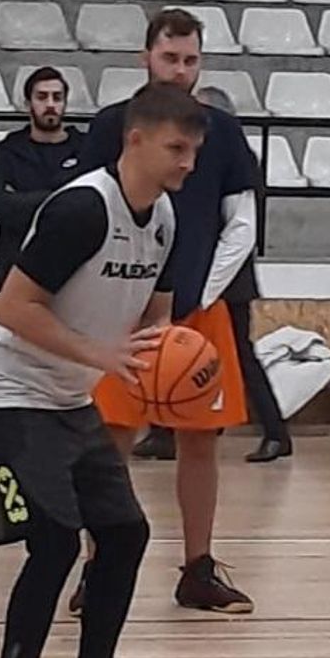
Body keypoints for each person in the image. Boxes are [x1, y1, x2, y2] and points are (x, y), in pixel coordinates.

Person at [0, 83, 198, 658]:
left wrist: (170, 366)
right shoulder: (81, 209)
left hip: (68, 397)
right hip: (7, 395)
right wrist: (103, 358)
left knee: (125, 532)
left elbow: (156, 320)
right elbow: (13, 307)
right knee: (56, 543)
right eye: (177, 148)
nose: (187, 163)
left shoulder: (165, 219)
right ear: (137, 140)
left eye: (194, 150)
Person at [76, 8, 260, 615]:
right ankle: (96, 564)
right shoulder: (111, 126)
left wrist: (201, 295)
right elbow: (87, 214)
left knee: (202, 440)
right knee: (111, 439)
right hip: (123, 313)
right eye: (169, 57)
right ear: (145, 57)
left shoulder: (224, 133)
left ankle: (198, 567)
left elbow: (242, 224)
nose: (180, 70)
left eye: (190, 60)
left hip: (197, 311)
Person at [134, 87, 292, 465]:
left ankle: (276, 431)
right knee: (168, 351)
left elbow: (240, 228)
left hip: (226, 279)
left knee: (239, 353)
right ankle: (162, 433)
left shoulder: (236, 160)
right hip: (195, 273)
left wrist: (207, 289)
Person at [0, 66, 86, 290]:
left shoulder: (86, 149)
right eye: (41, 97)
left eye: (57, 97)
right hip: (16, 269)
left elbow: (90, 209)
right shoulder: (6, 151)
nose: (50, 104)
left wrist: (24, 199)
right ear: (28, 103)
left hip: (73, 273)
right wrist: (60, 199)